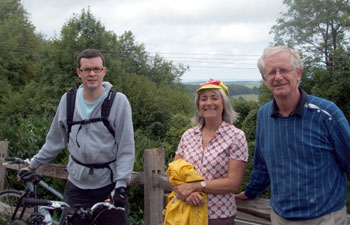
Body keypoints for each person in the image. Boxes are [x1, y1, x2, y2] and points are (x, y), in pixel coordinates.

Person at [235, 46, 350, 224]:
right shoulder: (264, 115)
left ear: (298, 73)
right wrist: (250, 193)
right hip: (280, 218)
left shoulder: (326, 113)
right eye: (272, 72)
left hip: (325, 217)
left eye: (284, 70)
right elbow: (262, 165)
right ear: (264, 78)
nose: (278, 77)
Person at [21, 49, 135, 225]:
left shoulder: (118, 102)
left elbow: (126, 148)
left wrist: (121, 186)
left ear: (104, 71)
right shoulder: (68, 101)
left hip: (108, 186)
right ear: (79, 72)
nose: (92, 74)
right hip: (76, 186)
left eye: (97, 69)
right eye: (87, 69)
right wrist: (32, 165)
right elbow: (54, 142)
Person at [172, 78, 249, 225]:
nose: (208, 103)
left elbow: (233, 183)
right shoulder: (188, 135)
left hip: (218, 216)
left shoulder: (236, 136)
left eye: (214, 98)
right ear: (198, 105)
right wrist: (188, 194)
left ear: (224, 104)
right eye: (203, 99)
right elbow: (174, 173)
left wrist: (195, 186)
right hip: (186, 212)